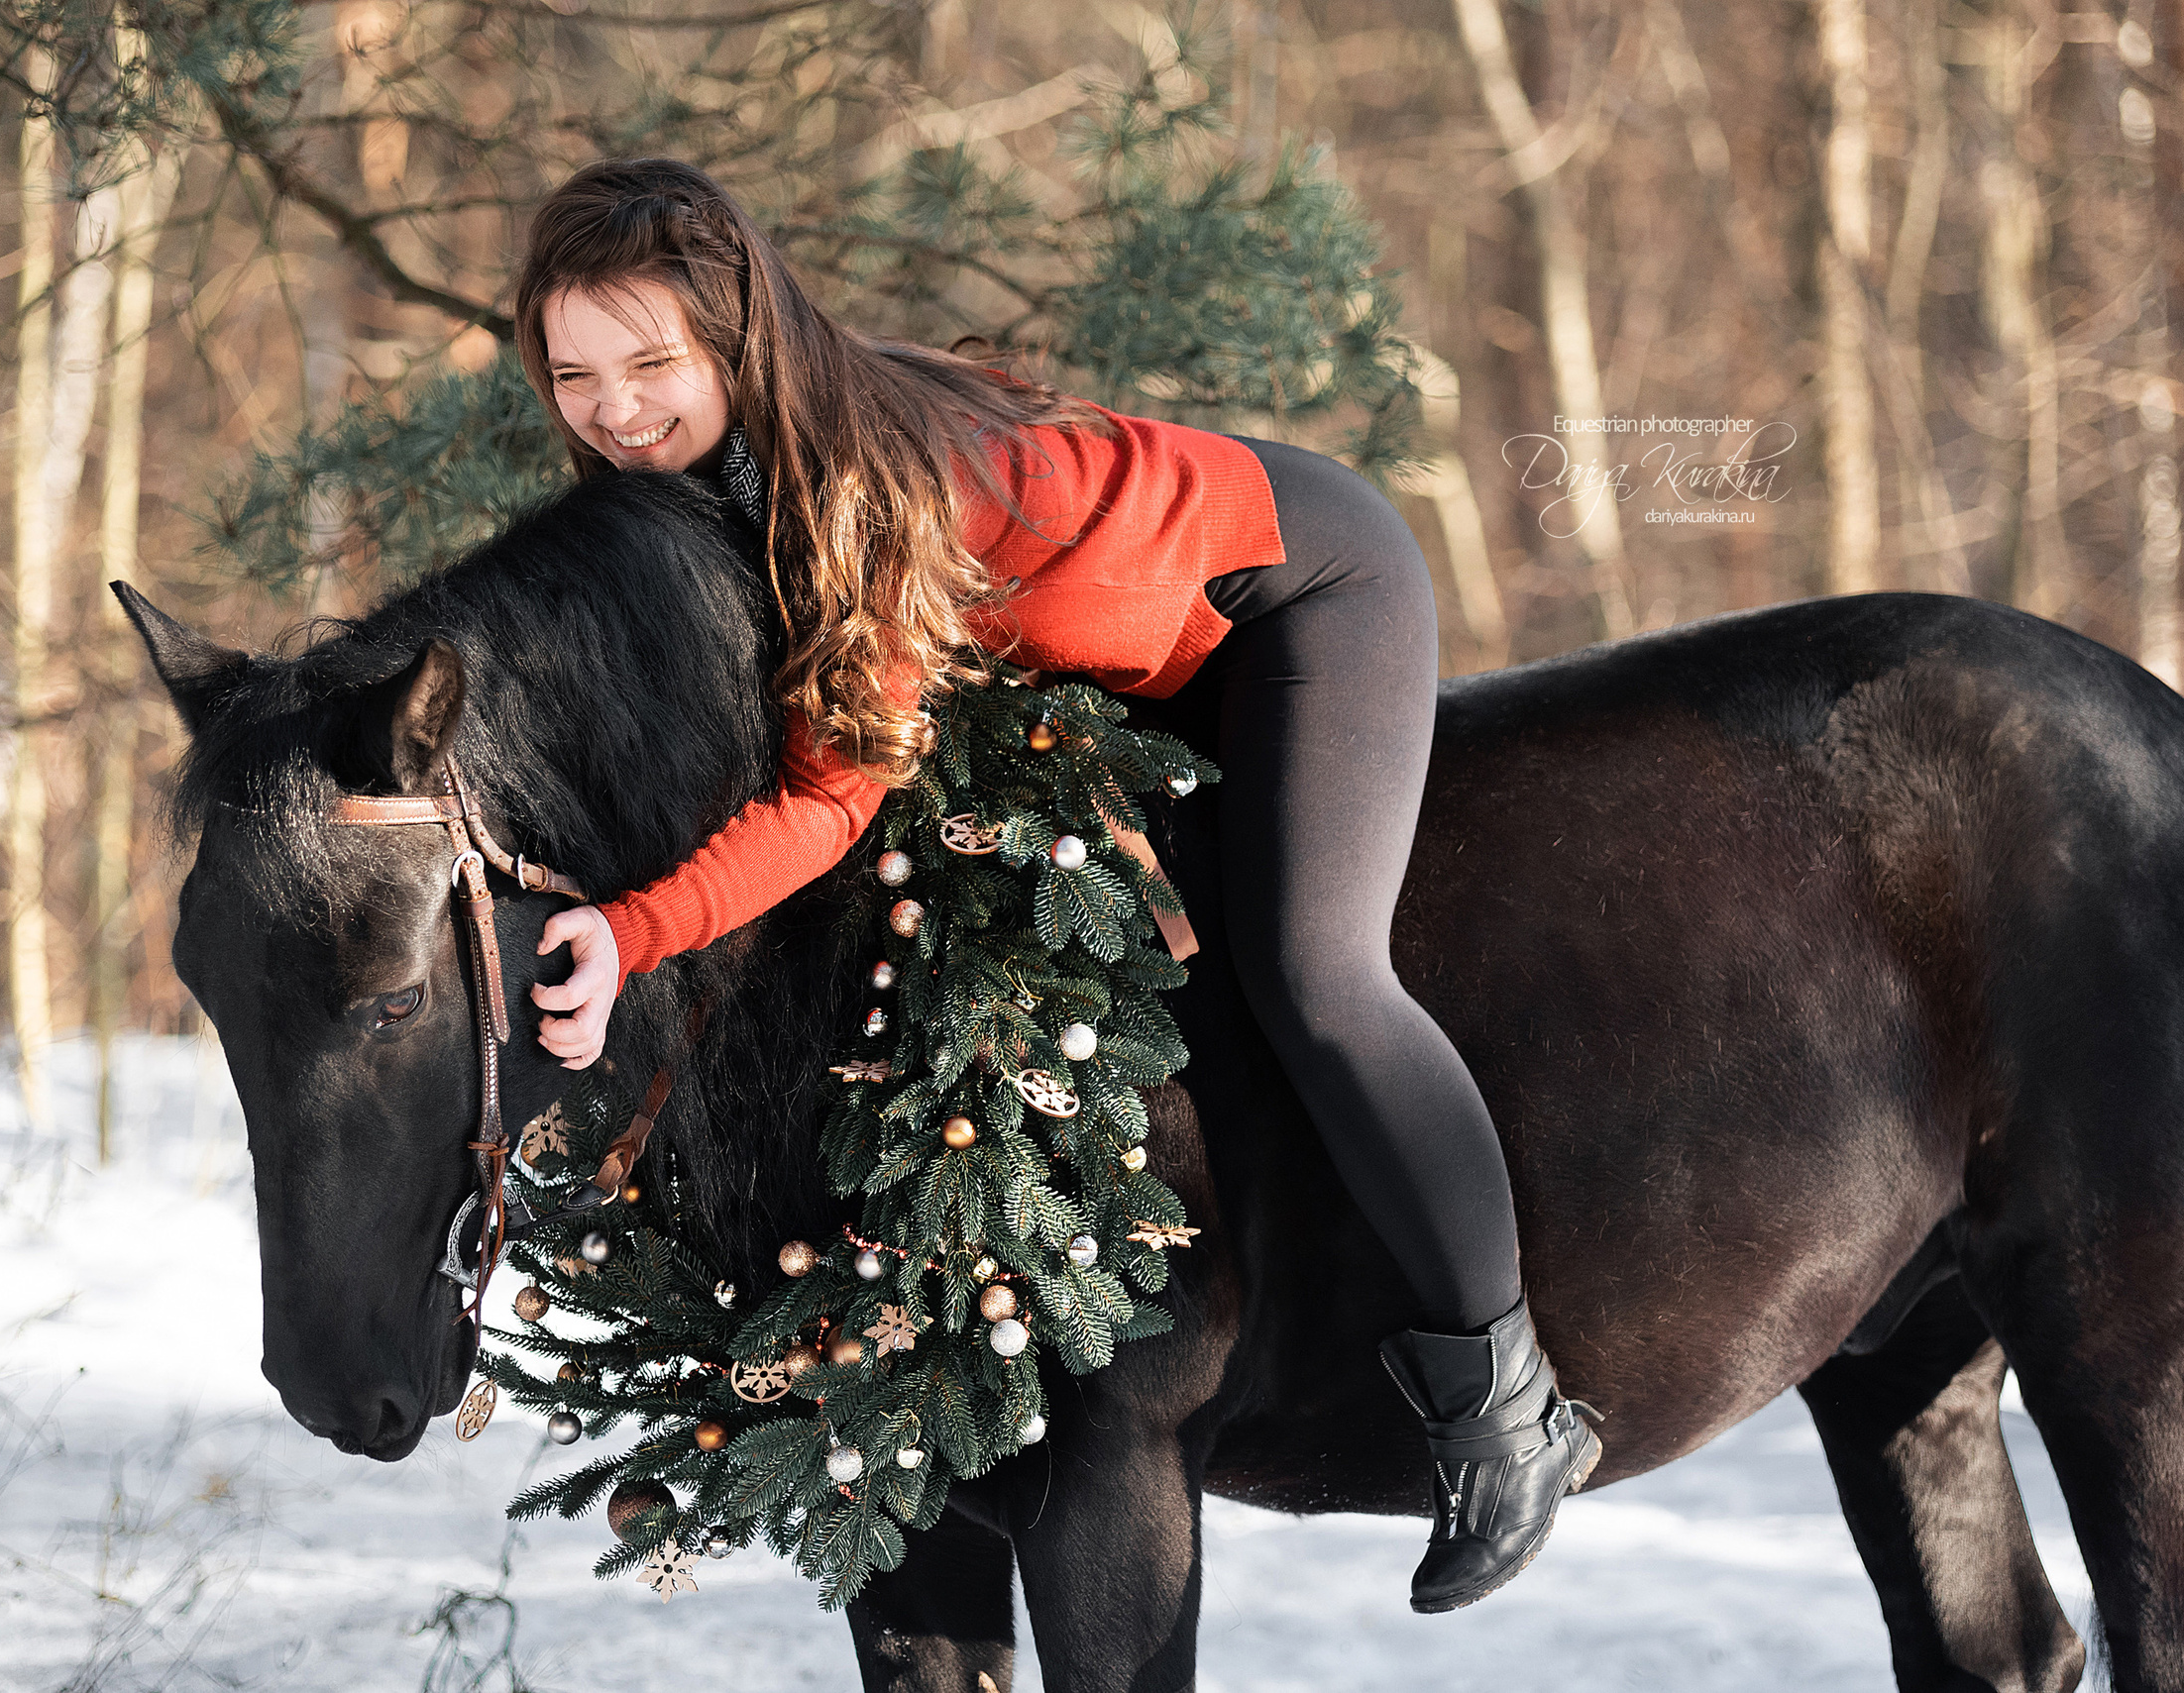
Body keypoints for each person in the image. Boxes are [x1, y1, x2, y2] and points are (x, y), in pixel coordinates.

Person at [507, 158, 1597, 1612]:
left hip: (1293, 591)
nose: (614, 409)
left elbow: (831, 792)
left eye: (653, 362)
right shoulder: (722, 464)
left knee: (1313, 969)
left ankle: (1508, 1400)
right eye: (573, 373)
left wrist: (636, 927)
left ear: (739, 338)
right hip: (1109, 637)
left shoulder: (863, 493)